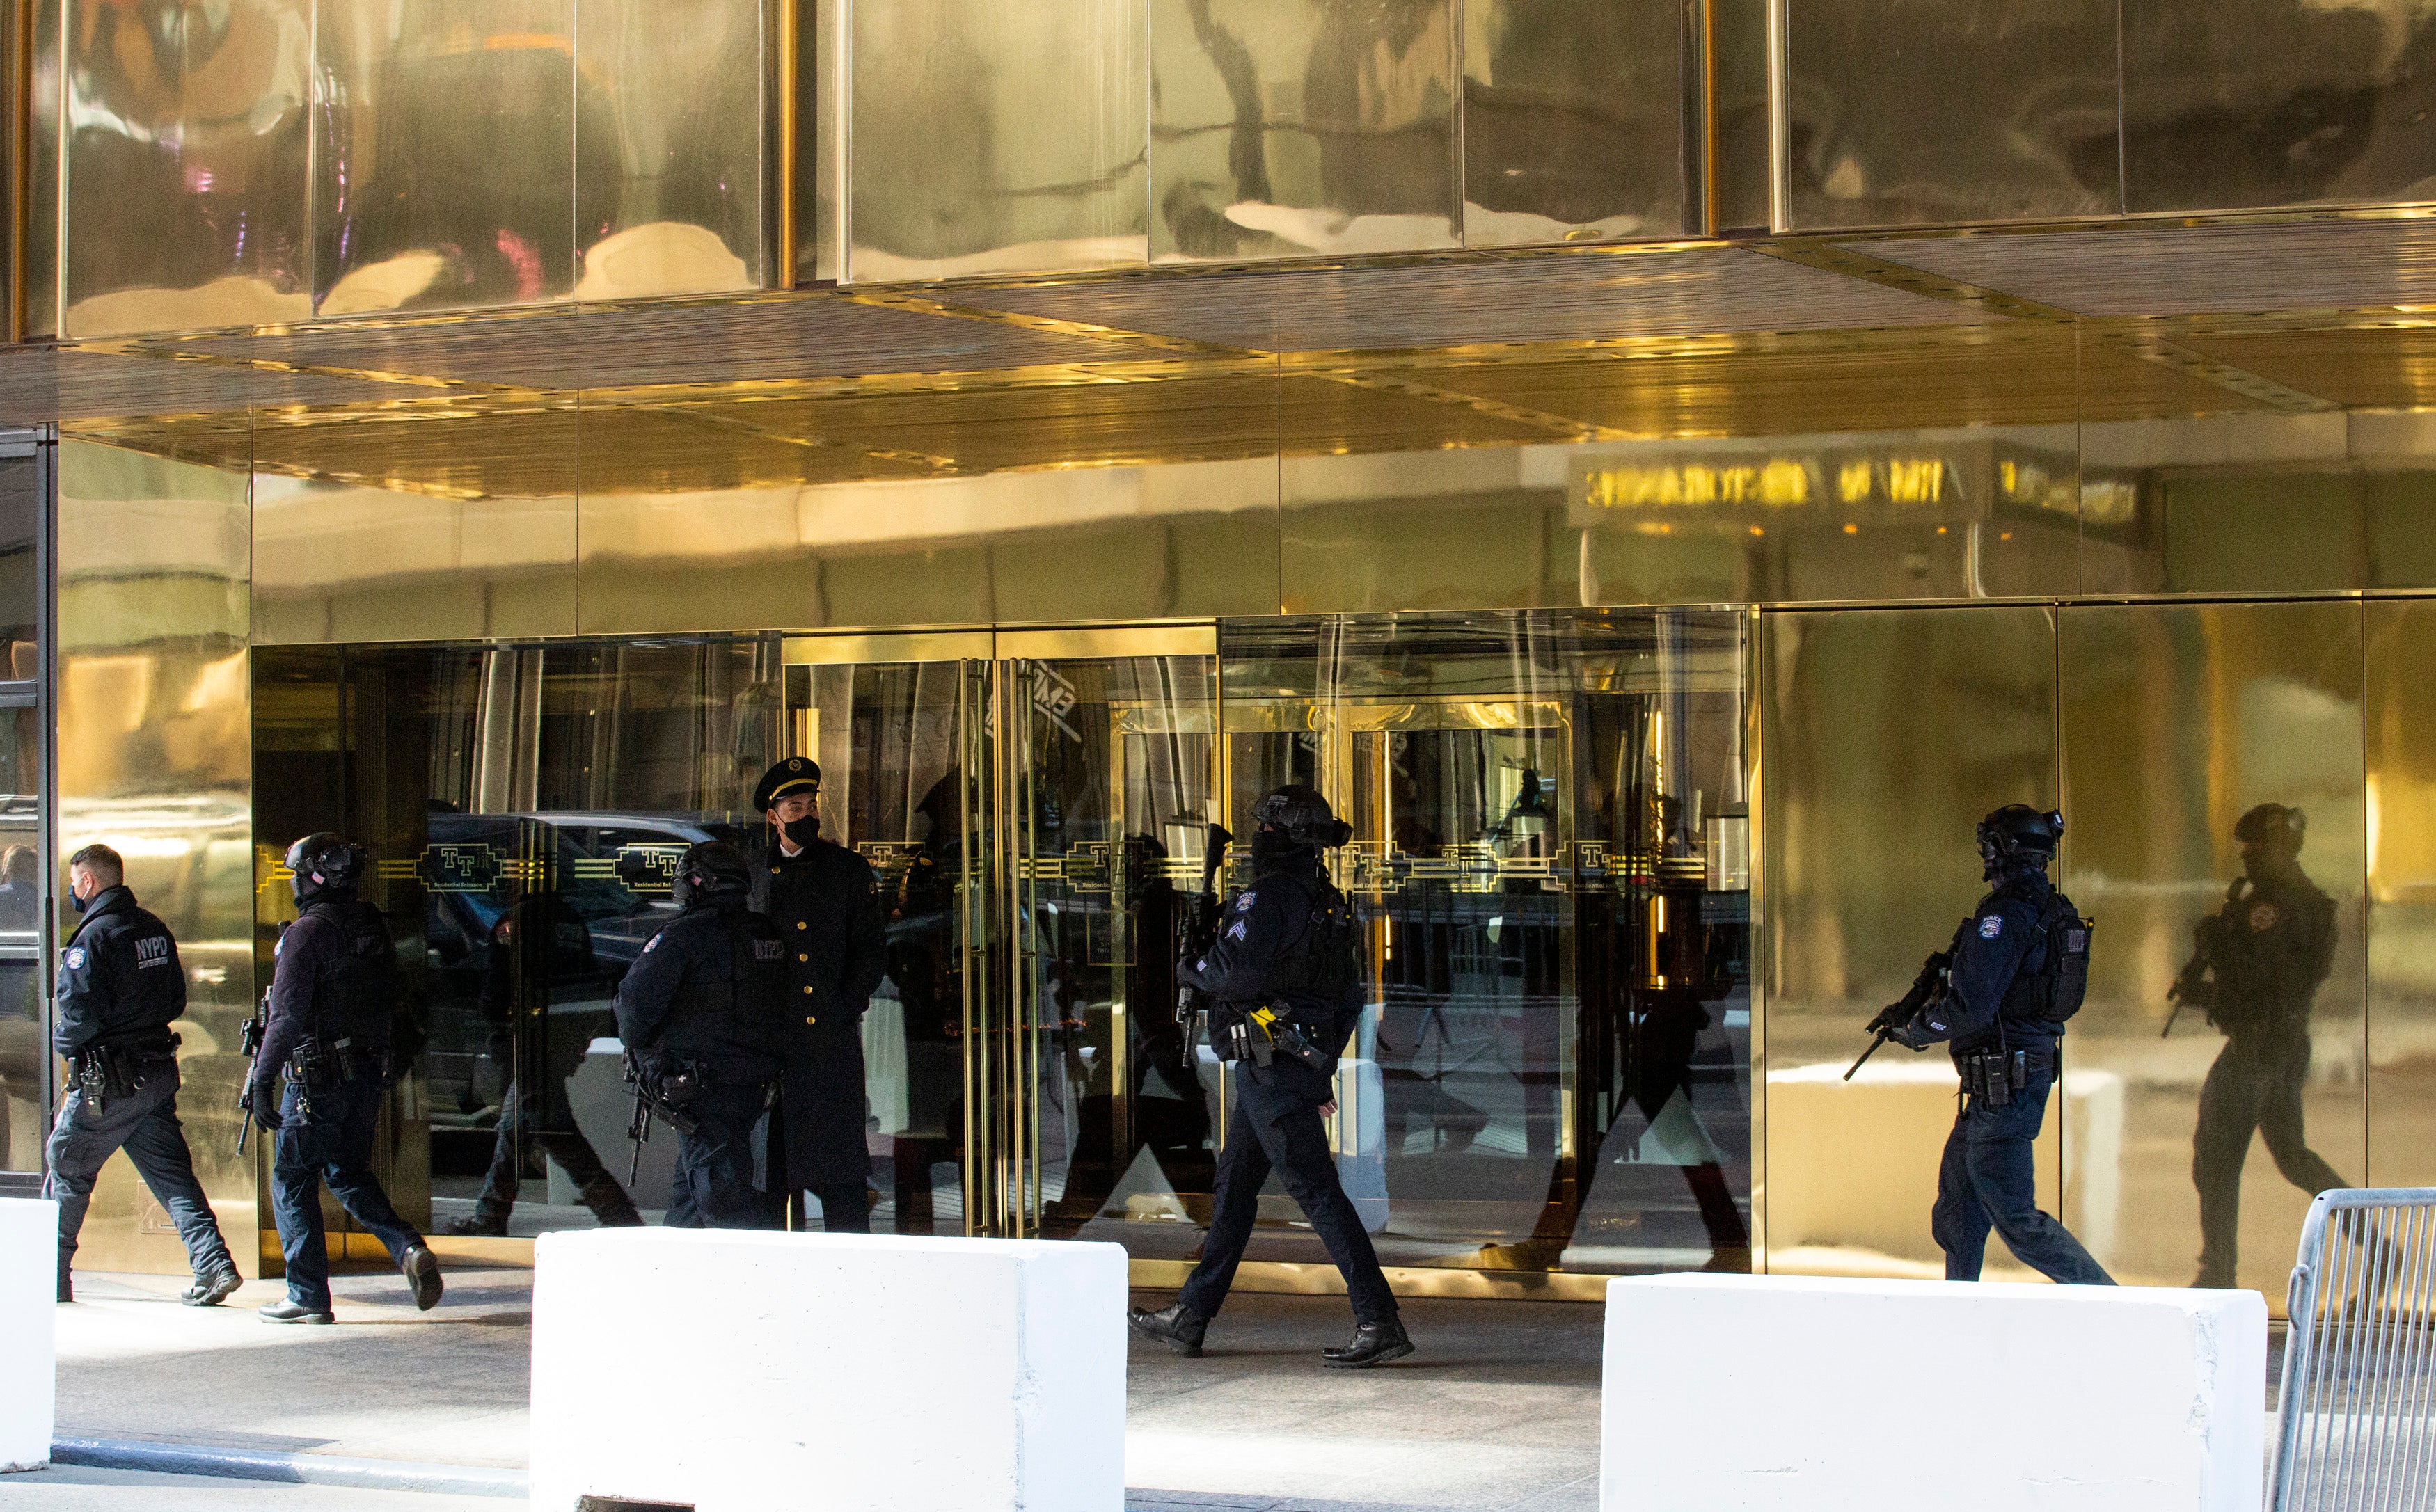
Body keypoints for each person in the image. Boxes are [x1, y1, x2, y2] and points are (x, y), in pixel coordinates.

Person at [1128, 785, 1413, 1368]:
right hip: (1284, 1067)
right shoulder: (1325, 901)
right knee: (1234, 1189)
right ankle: (1192, 1315)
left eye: (1264, 828)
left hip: (1271, 1070)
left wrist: (1190, 966)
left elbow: (1232, 976)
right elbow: (1347, 995)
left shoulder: (1270, 898)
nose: (1256, 838)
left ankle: (1378, 1316)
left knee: (1316, 1191)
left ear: (1278, 836)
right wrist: (1321, 1063)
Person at [1872, 804, 2112, 1286]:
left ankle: (2116, 1308)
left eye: (1990, 845)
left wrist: (1915, 1030)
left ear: (2008, 850)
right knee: (1958, 1207)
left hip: (2007, 1084)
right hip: (1997, 1083)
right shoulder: (2045, 909)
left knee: (2018, 1219)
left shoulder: (2006, 916)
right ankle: (1960, 1311)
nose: (1984, 855)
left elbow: (1971, 1006)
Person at [254, 834, 441, 1323]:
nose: (293, 882)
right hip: (366, 1074)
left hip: (316, 1079)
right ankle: (406, 1247)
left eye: (297, 873)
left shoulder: (307, 933)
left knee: (292, 1176)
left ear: (316, 877)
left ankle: (307, 1294)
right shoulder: (372, 926)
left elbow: (286, 1015)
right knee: (345, 1170)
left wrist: (262, 1076)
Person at [43, 843, 239, 1306]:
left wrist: (63, 1043)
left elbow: (80, 1017)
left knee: (67, 1164)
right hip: (154, 1074)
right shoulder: (153, 928)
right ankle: (213, 1263)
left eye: (74, 881)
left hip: (108, 1083)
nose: (72, 889)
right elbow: (175, 1000)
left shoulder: (92, 939)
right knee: (171, 1176)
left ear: (88, 881)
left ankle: (46, 1274)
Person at [2170, 802, 2350, 1288]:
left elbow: (2255, 982)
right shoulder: (2287, 899)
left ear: (2282, 849)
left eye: (2257, 849)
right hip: (2276, 1044)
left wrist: (2217, 953)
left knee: (2216, 1156)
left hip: (2260, 1048)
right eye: (2245, 850)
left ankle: (2217, 1273)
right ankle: (2375, 1240)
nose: (2248, 857)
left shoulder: (2276, 907)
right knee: (2291, 1156)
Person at [447, 878, 642, 1236]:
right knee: (517, 1129)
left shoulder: (515, 922)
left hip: (526, 1043)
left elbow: (496, 991)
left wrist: (500, 1025)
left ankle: (619, 1218)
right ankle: (490, 1217)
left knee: (555, 1133)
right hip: (560, 1038)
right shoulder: (570, 921)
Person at [747, 758, 887, 1234]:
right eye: (794, 806)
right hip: (773, 1049)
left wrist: (845, 1004)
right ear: (773, 816)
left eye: (811, 805)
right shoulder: (753, 874)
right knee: (772, 1178)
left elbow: (870, 948)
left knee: (841, 1178)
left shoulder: (846, 870)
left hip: (827, 1045)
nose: (806, 814)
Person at [615, 841, 786, 1229]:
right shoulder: (768, 935)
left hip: (700, 1085)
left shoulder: (683, 936)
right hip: (754, 1083)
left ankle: (749, 1276)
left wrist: (651, 1061)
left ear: (696, 882)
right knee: (692, 1196)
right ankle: (675, 1272)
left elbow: (633, 1010)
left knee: (720, 1195)